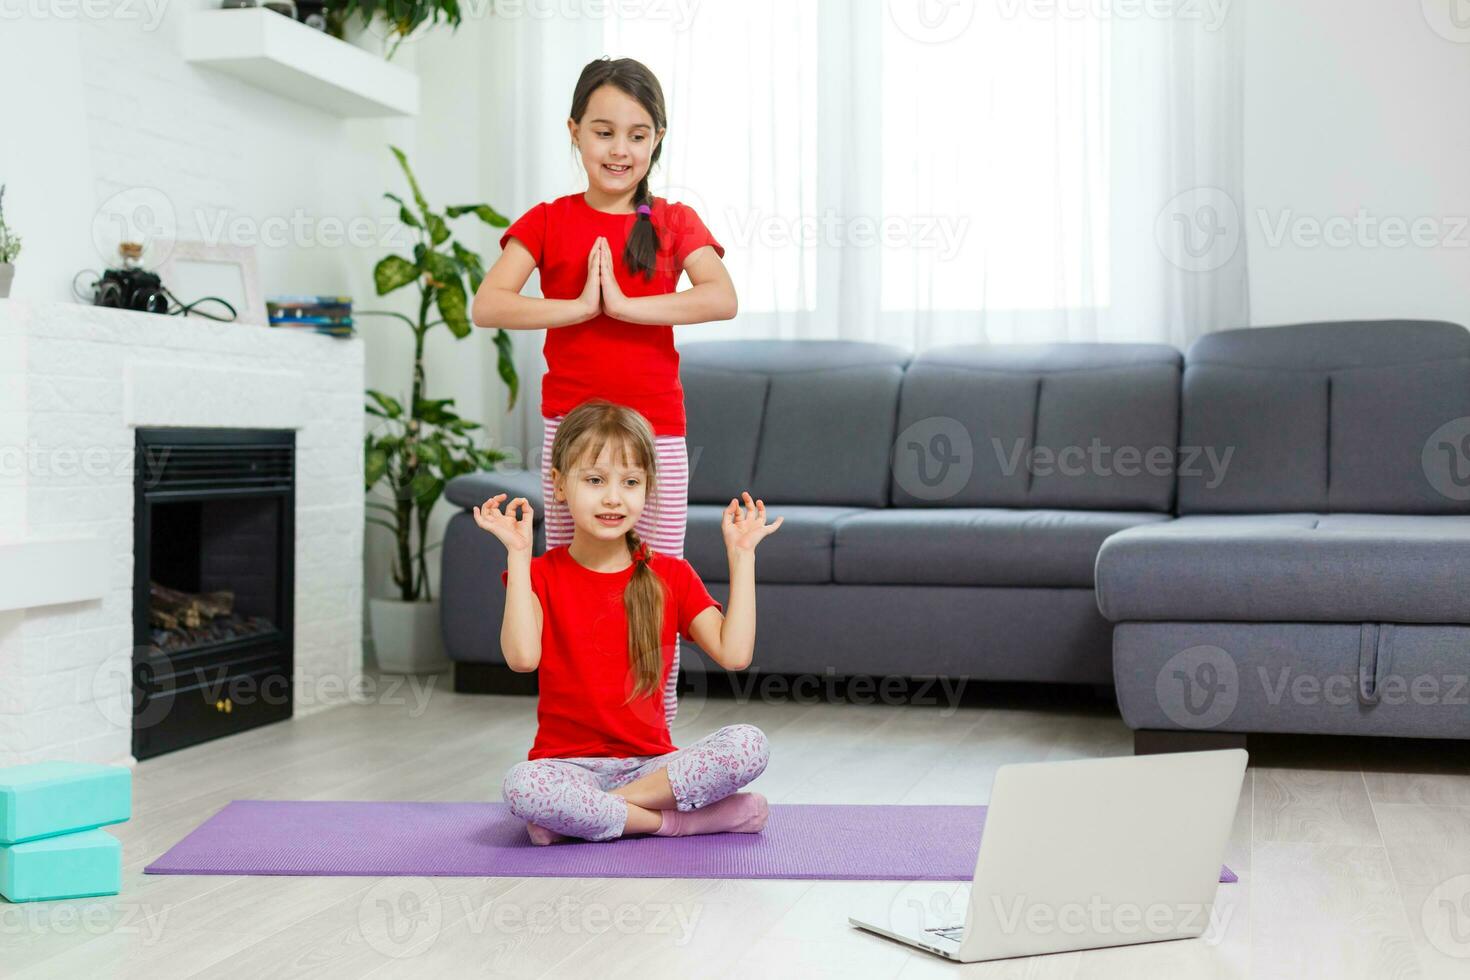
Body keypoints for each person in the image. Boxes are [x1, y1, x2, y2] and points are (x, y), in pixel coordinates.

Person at [472, 55, 737, 736]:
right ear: (574, 133)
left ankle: (657, 740)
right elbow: (488, 304)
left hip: (657, 443)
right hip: (573, 439)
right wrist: (578, 306)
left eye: (638, 134)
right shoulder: (548, 220)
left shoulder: (674, 221)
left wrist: (622, 304)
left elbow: (720, 297)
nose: (621, 150)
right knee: (569, 591)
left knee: (655, 590)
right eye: (603, 131)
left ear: (657, 140)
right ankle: (573, 739)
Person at [474, 400, 782, 844]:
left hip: (651, 766)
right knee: (523, 787)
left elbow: (734, 655)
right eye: (595, 480)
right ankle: (680, 822)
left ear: (647, 489)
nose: (614, 497)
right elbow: (522, 659)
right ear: (559, 485)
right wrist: (519, 556)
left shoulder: (671, 575)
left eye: (631, 482)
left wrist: (742, 557)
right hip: (566, 767)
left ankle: (596, 816)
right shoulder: (539, 575)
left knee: (749, 744)